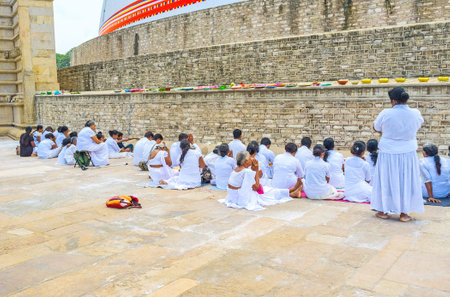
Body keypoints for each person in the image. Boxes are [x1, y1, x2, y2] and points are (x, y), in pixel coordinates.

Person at [371, 87, 424, 222]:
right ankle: (404, 214)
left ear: (393, 101)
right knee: (406, 180)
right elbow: (418, 126)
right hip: (408, 152)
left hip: (388, 152)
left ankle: (383, 211)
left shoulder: (386, 113)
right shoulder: (415, 113)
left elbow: (376, 127)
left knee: (386, 179)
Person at [222, 151, 297, 211]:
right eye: (250, 158)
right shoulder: (246, 172)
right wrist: (256, 169)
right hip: (241, 199)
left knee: (266, 190)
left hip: (233, 196)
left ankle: (290, 193)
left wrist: (254, 171)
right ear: (245, 161)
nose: (252, 159)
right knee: (267, 191)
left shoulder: (236, 169)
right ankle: (290, 191)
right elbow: (257, 187)